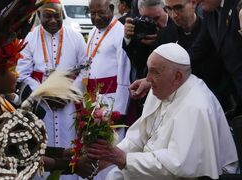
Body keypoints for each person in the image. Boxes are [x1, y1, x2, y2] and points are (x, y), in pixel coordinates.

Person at [86, 43, 239, 180]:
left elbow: (178, 165)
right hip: (153, 167)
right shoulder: (162, 88)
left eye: (154, 72)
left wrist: (124, 159)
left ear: (177, 77)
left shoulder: (195, 106)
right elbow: (139, 136)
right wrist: (107, 157)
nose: (147, 79)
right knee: (114, 176)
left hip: (185, 177)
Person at [16, 0, 87, 179]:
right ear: (39, 16)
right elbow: (22, 74)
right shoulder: (30, 38)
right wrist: (44, 93)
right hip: (41, 105)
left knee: (69, 144)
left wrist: (68, 92)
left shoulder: (76, 37)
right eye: (48, 16)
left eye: (57, 15)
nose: (53, 20)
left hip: (68, 104)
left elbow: (86, 69)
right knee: (42, 144)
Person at [77, 0, 131, 178]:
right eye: (92, 14)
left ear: (111, 9)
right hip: (93, 100)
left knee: (110, 147)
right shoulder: (93, 31)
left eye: (100, 13)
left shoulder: (120, 31)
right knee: (93, 147)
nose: (96, 18)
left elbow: (124, 74)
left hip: (112, 101)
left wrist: (119, 111)